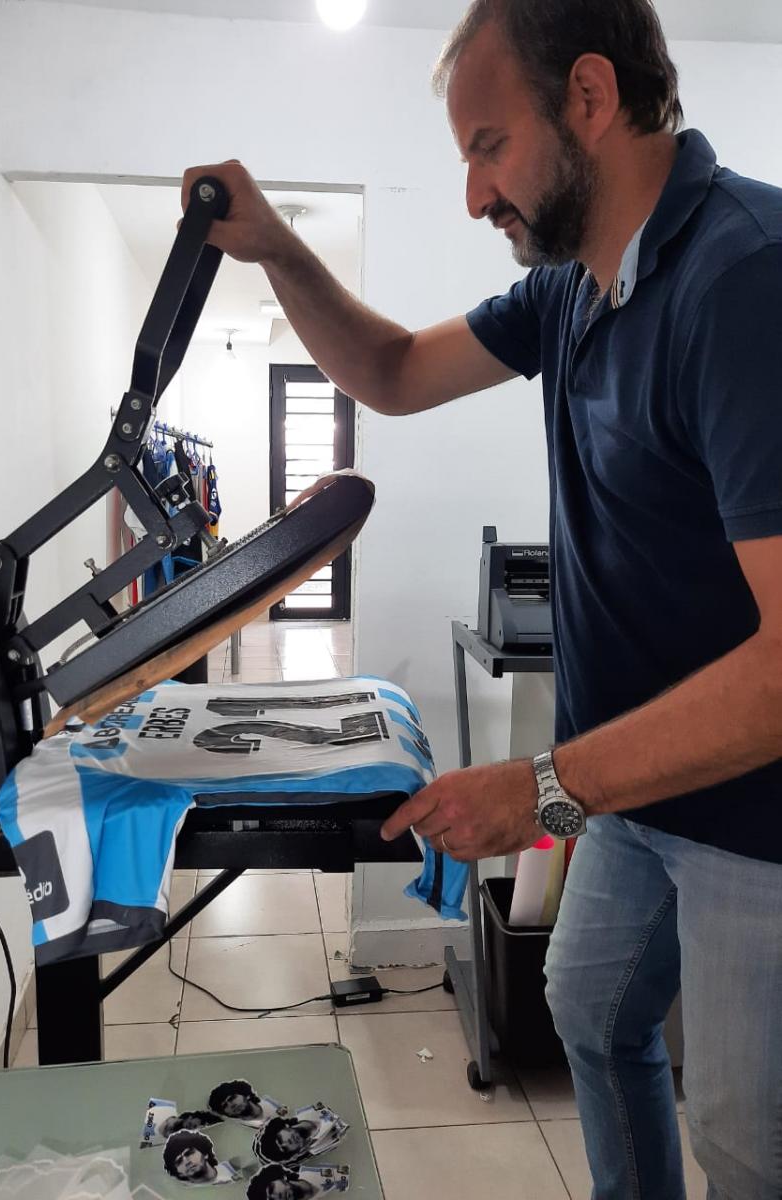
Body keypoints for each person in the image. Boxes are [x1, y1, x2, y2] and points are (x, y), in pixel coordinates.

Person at [181, 2, 782, 1194]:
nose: (473, 194)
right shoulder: (571, 289)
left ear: (592, 100)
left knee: (741, 1136)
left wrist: (544, 789)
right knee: (588, 1010)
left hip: (755, 824)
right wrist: (278, 250)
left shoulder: (743, 281)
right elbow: (396, 373)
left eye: (488, 146)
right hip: (628, 790)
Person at [246, 1164, 336, 1200]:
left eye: (271, 1190)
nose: (276, 1197)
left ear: (281, 1178)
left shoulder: (321, 1174)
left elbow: (347, 1176)